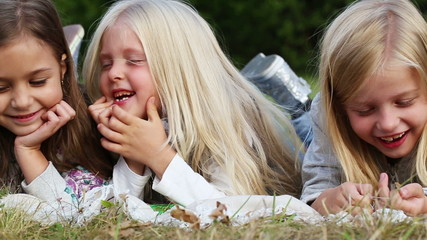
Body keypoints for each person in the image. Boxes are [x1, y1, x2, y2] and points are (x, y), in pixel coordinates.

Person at [82, 0, 303, 207]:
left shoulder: (223, 120)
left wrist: (158, 155)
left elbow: (231, 210)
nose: (114, 73)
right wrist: (133, 155)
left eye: (134, 60)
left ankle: (299, 105)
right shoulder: (118, 127)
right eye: (106, 63)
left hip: (293, 148)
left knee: (308, 131)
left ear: (179, 67)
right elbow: (119, 212)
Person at [301, 0, 427, 216]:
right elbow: (316, 187)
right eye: (364, 110)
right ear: (339, 107)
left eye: (403, 102)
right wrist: (326, 199)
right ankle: (297, 100)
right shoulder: (327, 112)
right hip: (313, 128)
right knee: (298, 132)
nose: (388, 123)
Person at [0, 0, 115, 206]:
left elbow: (74, 212)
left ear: (62, 68)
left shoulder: (92, 127)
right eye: (1, 88)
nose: (22, 102)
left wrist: (28, 151)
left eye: (38, 82)